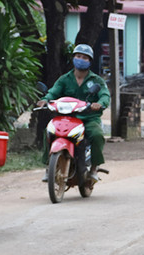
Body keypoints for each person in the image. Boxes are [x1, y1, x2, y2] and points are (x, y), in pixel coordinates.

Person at [37, 44, 110, 181]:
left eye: (84, 57)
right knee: (49, 131)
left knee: (97, 135)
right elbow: (54, 92)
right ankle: (49, 167)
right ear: (73, 58)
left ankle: (94, 168)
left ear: (90, 61)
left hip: (88, 118)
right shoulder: (64, 79)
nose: (80, 59)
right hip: (66, 118)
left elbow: (105, 95)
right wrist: (45, 100)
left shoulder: (96, 80)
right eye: (78, 56)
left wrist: (100, 104)